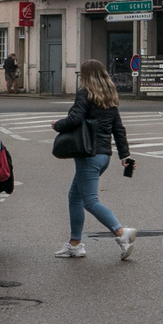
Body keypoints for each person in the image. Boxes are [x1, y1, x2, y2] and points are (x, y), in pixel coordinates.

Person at [53, 59, 137, 260]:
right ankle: (75, 244)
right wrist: (124, 155)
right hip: (103, 156)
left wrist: (57, 124)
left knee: (89, 200)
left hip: (88, 155)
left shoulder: (85, 94)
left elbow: (75, 119)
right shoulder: (109, 96)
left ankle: (120, 232)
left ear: (85, 76)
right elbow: (118, 129)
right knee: (75, 197)